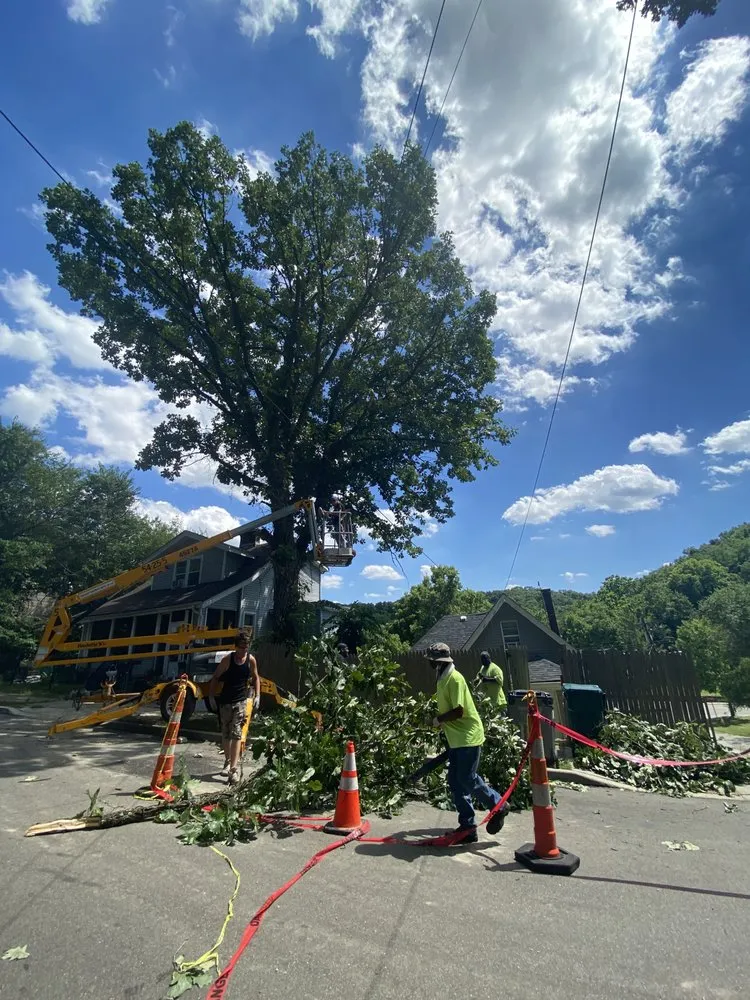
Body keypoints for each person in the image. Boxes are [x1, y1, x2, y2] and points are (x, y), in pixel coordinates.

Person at [426, 642, 508, 843]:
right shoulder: (442, 678)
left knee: (467, 778)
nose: (430, 663)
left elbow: (458, 711)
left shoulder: (454, 678)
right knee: (456, 781)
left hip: (468, 737)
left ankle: (498, 804)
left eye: (432, 660)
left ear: (439, 661)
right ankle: (468, 827)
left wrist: (438, 720)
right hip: (456, 739)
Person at [209, 630, 260, 785]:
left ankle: (233, 769)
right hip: (225, 702)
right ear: (235, 647)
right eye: (241, 647)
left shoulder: (250, 660)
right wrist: (211, 697)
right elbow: (215, 677)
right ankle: (227, 760)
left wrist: (258, 696)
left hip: (240, 701)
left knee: (236, 734)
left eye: (246, 647)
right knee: (226, 733)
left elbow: (256, 677)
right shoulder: (227, 660)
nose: (243, 650)